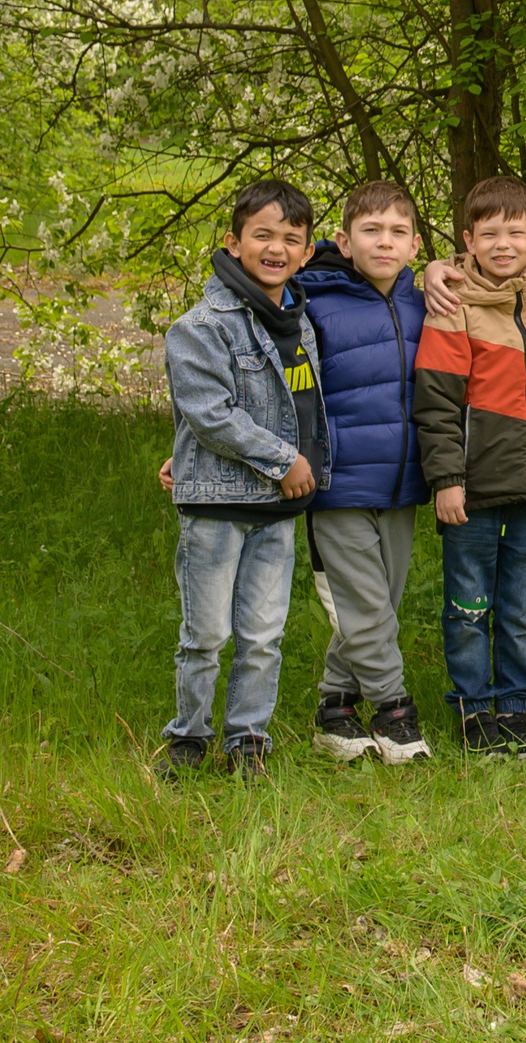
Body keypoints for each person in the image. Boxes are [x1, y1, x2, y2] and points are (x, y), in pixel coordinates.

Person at [154, 180, 328, 781]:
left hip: (276, 511)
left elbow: (298, 407)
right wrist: (285, 461)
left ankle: (248, 738)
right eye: (263, 235)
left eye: (291, 239)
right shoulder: (202, 326)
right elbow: (210, 413)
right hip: (219, 507)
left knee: (262, 635)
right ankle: (188, 737)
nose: (277, 248)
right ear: (233, 243)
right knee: (205, 634)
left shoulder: (298, 322)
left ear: (307, 252)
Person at [414, 176, 526, 759]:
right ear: (468, 240)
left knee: (522, 607)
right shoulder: (452, 304)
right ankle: (474, 709)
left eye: (516, 233)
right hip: (471, 488)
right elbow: (436, 401)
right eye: (490, 234)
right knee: (469, 605)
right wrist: (446, 481)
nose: (504, 245)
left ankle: (515, 707)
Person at [296, 181, 432, 765]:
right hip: (337, 483)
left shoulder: (425, 304)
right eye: (371, 230)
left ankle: (335, 708)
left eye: (398, 232)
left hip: (402, 483)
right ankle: (393, 711)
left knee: (377, 604)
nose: (384, 242)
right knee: (367, 606)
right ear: (344, 242)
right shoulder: (312, 303)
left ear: (416, 245)